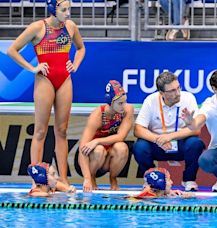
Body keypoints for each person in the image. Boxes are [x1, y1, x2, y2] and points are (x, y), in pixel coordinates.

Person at [7, 0, 85, 185]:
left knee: (62, 131)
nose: (68, 13)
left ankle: (64, 179)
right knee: (40, 131)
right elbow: (12, 50)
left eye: (69, 9)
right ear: (53, 9)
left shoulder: (71, 26)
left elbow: (81, 48)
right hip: (45, 80)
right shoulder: (38, 27)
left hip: (65, 79)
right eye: (64, 10)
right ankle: (37, 180)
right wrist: (32, 68)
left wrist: (75, 64)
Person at [132, 72, 205, 191]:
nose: (178, 93)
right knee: (139, 147)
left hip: (180, 144)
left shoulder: (188, 98)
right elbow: (138, 129)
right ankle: (152, 178)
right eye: (172, 91)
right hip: (158, 144)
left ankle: (189, 180)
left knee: (195, 143)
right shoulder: (151, 100)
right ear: (162, 93)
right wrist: (157, 139)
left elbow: (196, 130)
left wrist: (169, 137)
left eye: (178, 88)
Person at [79, 80, 133, 192]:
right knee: (98, 150)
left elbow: (120, 137)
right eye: (120, 103)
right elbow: (82, 149)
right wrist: (87, 178)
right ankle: (92, 178)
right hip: (94, 158)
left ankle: (113, 179)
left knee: (122, 147)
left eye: (125, 101)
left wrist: (97, 140)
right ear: (110, 102)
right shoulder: (97, 115)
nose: (124, 106)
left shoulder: (127, 110)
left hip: (111, 155)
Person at [126, 168, 193, 199]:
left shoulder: (163, 193)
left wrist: (182, 195)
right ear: (161, 183)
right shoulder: (147, 198)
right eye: (169, 180)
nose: (172, 182)